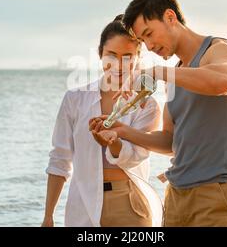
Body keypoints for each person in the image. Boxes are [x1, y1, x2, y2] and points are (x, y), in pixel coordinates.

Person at [90, 0, 227, 227]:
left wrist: (157, 73)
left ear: (170, 17)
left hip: (216, 193)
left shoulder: (218, 49)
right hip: (176, 196)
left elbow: (223, 82)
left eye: (149, 34)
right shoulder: (176, 74)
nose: (149, 46)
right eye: (143, 41)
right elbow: (170, 142)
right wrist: (123, 131)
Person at [42, 15, 162, 227]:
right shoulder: (74, 99)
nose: (118, 65)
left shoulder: (147, 104)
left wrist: (113, 141)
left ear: (137, 58)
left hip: (130, 204)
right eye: (111, 55)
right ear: (100, 54)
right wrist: (48, 216)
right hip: (83, 204)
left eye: (127, 56)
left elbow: (136, 157)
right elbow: (60, 159)